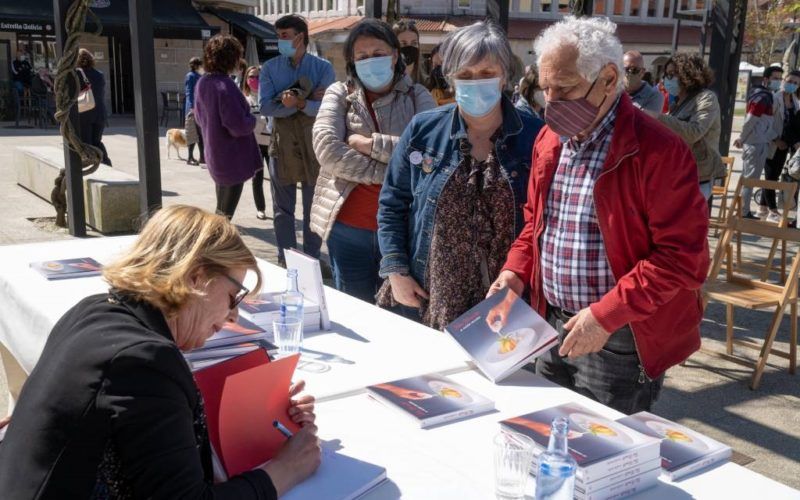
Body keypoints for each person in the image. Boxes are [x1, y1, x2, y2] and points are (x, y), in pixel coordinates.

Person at [0, 205, 321, 498]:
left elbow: (146, 428)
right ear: (196, 277)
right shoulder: (144, 361)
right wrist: (282, 471)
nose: (235, 315)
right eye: (233, 296)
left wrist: (258, 412)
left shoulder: (93, 311)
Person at [487, 16, 709, 415]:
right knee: (542, 436)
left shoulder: (659, 150)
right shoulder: (550, 139)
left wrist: (607, 315)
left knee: (604, 454)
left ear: (609, 79)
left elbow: (682, 259)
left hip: (619, 335)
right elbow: (536, 224)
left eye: (566, 88)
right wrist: (515, 272)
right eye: (546, 89)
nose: (551, 103)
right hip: (548, 320)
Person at [377, 21, 544, 329]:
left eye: (486, 74)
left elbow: (543, 223)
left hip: (510, 302)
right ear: (450, 77)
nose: (475, 82)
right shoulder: (423, 130)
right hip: (431, 294)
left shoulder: (537, 137)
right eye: (465, 75)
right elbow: (392, 205)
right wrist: (396, 271)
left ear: (505, 75)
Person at [311, 19, 436, 302]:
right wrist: (396, 168)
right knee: (356, 313)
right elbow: (327, 150)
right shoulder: (339, 95)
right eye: (362, 57)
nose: (371, 61)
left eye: (379, 54)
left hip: (404, 233)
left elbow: (428, 155)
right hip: (348, 229)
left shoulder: (418, 96)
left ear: (395, 55)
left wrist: (368, 144)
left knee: (404, 318)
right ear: (352, 62)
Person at [260, 15, 335, 264]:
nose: (280, 41)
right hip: (281, 144)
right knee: (282, 209)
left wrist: (298, 101)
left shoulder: (323, 68)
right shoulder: (270, 68)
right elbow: (266, 107)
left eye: (284, 35)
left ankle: (311, 259)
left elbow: (328, 106)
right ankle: (286, 258)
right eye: (278, 35)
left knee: (313, 208)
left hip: (314, 142)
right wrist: (306, 100)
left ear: (301, 36)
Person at [195, 35, 262, 219]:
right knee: (224, 217)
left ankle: (215, 242)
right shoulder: (225, 85)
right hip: (232, 158)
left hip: (215, 153)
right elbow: (238, 126)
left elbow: (199, 118)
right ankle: (216, 245)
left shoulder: (203, 82)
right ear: (230, 57)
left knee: (221, 210)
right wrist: (252, 120)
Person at [647, 53, 724, 201]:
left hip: (698, 176)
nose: (667, 79)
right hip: (678, 174)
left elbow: (694, 132)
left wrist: (658, 117)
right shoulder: (677, 103)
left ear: (688, 74)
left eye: (672, 74)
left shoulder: (706, 98)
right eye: (666, 74)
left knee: (687, 222)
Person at [735, 65, 784, 219]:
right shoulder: (762, 97)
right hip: (756, 144)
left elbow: (762, 123)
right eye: (775, 78)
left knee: (748, 179)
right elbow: (751, 120)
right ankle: (743, 212)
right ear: (766, 79)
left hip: (757, 142)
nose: (778, 82)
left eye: (779, 79)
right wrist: (741, 138)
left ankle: (742, 210)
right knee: (749, 180)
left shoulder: (764, 95)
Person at [761, 70, 800, 222]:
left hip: (786, 145)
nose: (792, 85)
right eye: (790, 81)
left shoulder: (796, 101)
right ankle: (772, 211)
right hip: (773, 143)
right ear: (784, 80)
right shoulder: (774, 98)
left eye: (796, 83)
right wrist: (776, 140)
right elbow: (765, 124)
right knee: (771, 177)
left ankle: (762, 208)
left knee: (775, 175)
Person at [241, 65, 269, 220]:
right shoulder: (245, 99)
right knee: (257, 179)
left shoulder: (268, 96)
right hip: (255, 145)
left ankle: (280, 209)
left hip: (272, 143)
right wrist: (262, 122)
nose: (255, 80)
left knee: (277, 180)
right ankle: (261, 208)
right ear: (246, 79)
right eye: (251, 76)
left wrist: (260, 121)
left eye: (258, 76)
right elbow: (248, 123)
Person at [77, 48, 111, 166]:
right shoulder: (99, 75)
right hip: (100, 113)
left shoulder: (76, 74)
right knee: (97, 141)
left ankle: (92, 166)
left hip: (84, 113)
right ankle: (106, 164)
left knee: (86, 143)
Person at [184, 56, 206, 166]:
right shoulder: (191, 76)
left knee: (201, 134)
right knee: (192, 133)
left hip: (200, 108)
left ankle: (202, 156)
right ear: (197, 65)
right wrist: (192, 107)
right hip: (193, 109)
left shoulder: (199, 76)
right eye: (201, 65)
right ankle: (190, 157)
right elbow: (189, 92)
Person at [393, 20, 424, 85]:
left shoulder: (427, 83)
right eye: (403, 43)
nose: (409, 47)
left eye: (414, 43)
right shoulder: (386, 85)